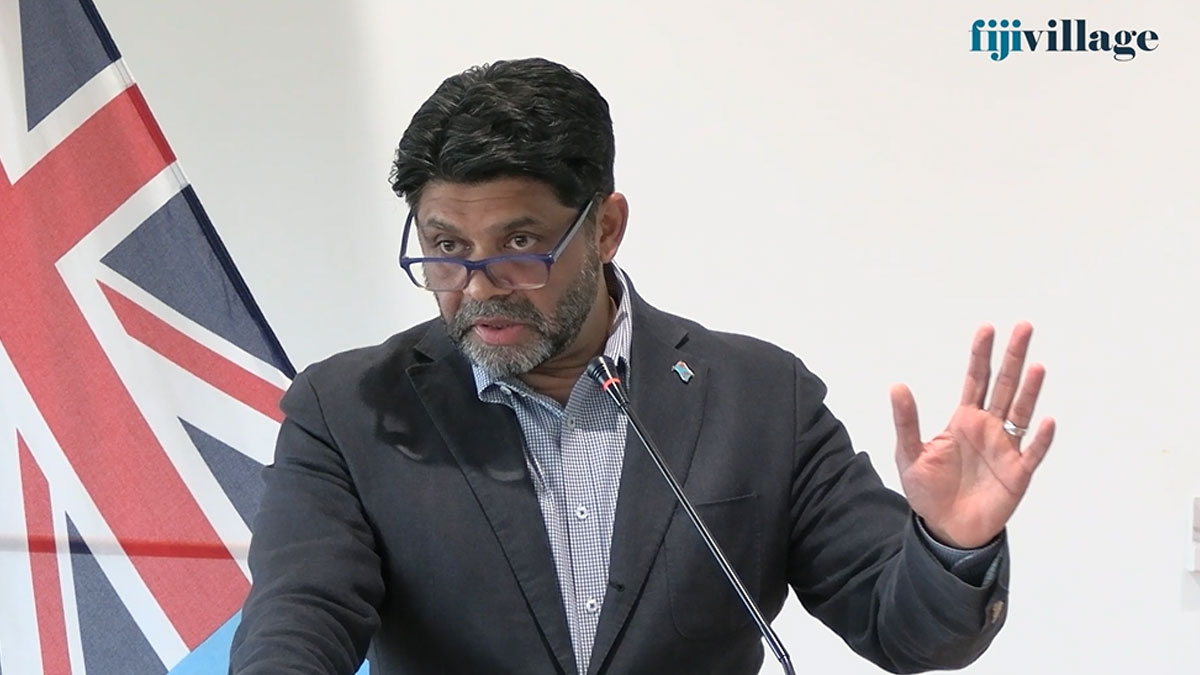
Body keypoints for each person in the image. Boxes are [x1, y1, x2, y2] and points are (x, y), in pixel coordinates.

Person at [229, 57, 1054, 675]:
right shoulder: (348, 410)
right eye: (446, 246)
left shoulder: (761, 399)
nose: (478, 285)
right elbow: (298, 617)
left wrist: (951, 544)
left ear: (606, 228)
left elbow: (906, 627)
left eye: (520, 242)